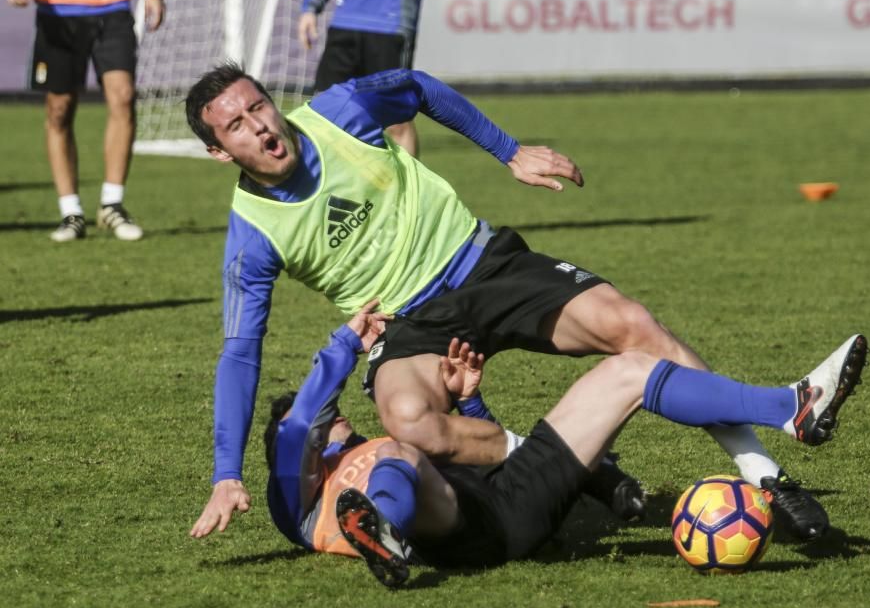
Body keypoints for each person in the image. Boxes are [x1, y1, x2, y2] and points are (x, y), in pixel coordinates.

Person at [185, 63, 834, 544]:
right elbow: (241, 351)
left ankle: (766, 474)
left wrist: (509, 151)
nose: (261, 127)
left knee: (631, 324)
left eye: (259, 106)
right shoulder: (252, 238)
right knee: (404, 413)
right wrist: (225, 472)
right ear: (219, 152)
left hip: (482, 263)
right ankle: (573, 467)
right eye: (236, 126)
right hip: (406, 326)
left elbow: (417, 87)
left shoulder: (340, 110)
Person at [262, 303, 867, 587]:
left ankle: (791, 408)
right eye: (325, 427)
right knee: (399, 456)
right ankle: (386, 540)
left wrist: (469, 400)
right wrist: (343, 346)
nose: (337, 424)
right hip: (471, 538)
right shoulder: (299, 503)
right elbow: (298, 431)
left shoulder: (370, 449)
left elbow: (482, 454)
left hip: (510, 497)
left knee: (629, 370)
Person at [6, 0, 165, 242]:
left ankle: (112, 204)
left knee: (123, 96)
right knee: (59, 110)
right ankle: (71, 213)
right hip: (56, 12)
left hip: (113, 8)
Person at [297, 0, 421, 156]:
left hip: (391, 24)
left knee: (397, 122)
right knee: (324, 111)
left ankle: (411, 182)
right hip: (345, 21)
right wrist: (310, 7)